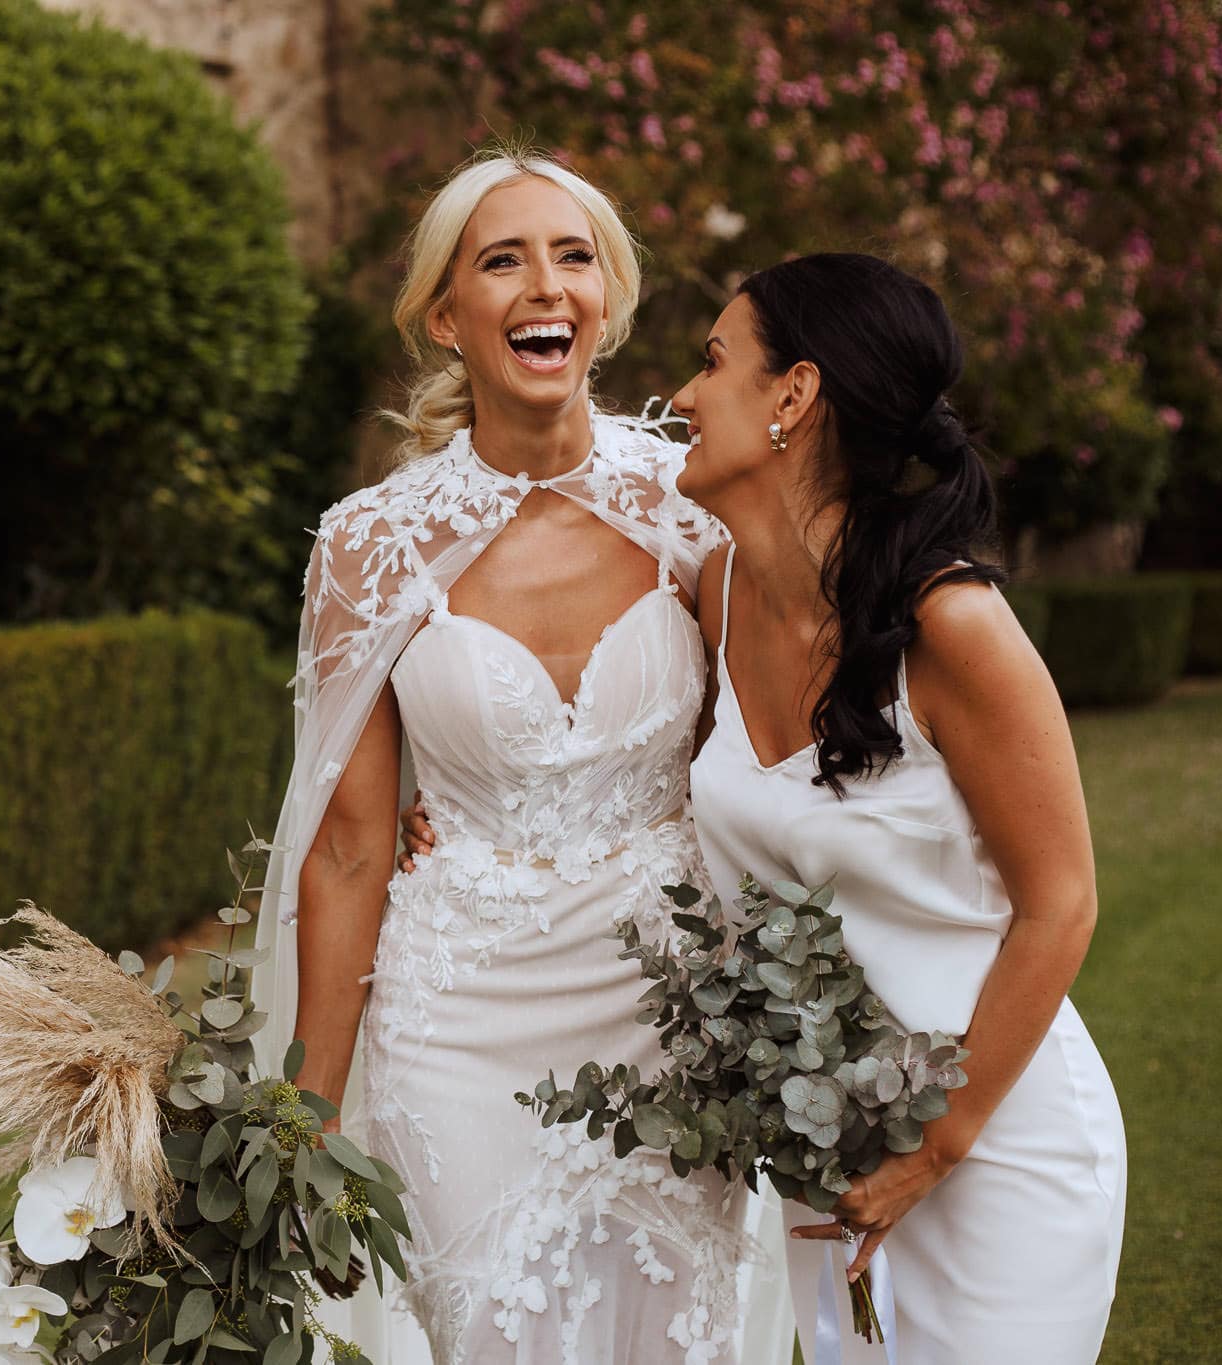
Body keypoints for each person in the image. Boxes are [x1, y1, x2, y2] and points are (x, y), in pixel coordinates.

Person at [406, 252, 1127, 1361]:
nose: (683, 397)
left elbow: (1061, 903)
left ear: (790, 397)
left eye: (710, 362)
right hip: (821, 1144)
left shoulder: (954, 629)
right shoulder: (715, 595)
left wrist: (934, 1148)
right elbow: (624, 766)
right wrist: (466, 814)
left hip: (994, 1137)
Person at [250, 149, 780, 1365]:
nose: (543, 285)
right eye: (502, 261)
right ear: (447, 314)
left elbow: (763, 762)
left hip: (669, 1012)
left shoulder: (701, 512)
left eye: (572, 255)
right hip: (455, 1022)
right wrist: (308, 1120)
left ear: (607, 301)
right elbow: (342, 849)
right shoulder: (367, 549)